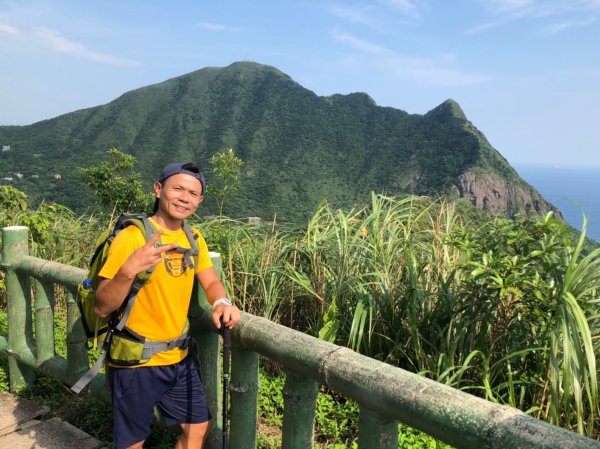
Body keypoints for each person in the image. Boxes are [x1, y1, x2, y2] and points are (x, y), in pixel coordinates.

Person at [94, 162, 241, 449]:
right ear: (159, 189)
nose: (184, 197)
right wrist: (128, 270)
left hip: (178, 356)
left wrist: (222, 302)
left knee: (198, 426)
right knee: (133, 442)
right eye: (178, 188)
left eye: (192, 193)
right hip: (137, 360)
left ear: (199, 201)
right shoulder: (132, 238)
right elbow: (101, 306)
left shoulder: (192, 237)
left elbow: (210, 281)